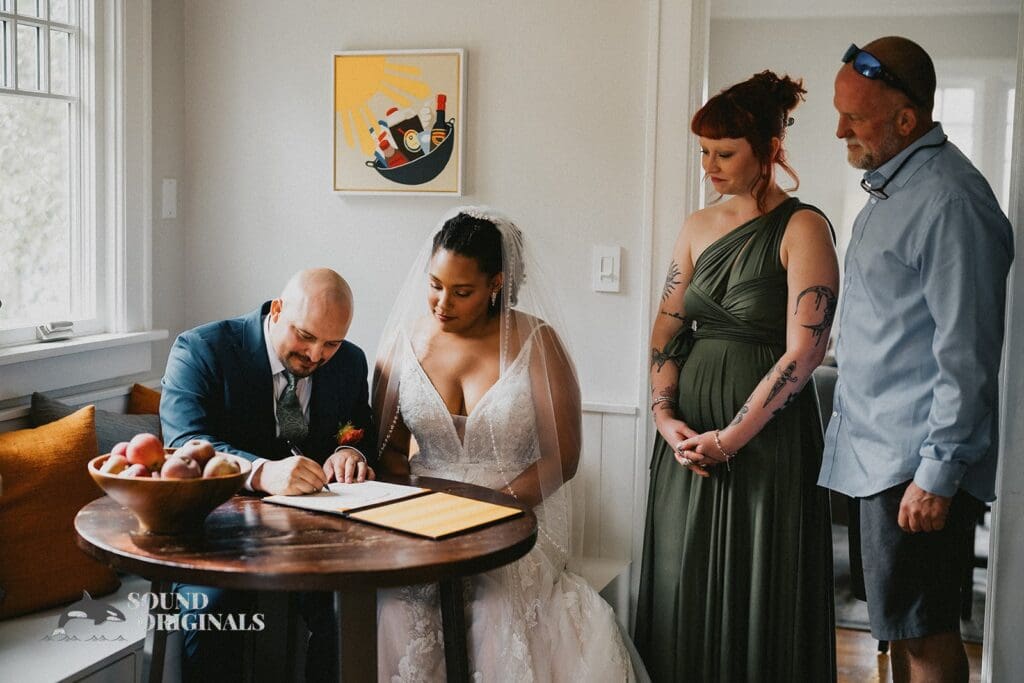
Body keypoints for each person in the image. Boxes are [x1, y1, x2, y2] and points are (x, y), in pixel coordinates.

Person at [372, 207, 640, 681]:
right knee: (398, 603)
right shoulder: (401, 343)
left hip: (518, 511)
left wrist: (491, 514)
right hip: (423, 513)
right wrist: (418, 515)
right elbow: (390, 453)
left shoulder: (537, 342)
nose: (441, 303)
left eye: (461, 291)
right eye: (434, 285)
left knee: (497, 601)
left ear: (495, 283)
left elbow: (563, 457)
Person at [634, 71, 839, 681]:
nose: (710, 166)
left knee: (763, 587)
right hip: (686, 439)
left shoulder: (805, 228)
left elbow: (805, 351)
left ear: (771, 150)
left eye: (725, 153)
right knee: (682, 581)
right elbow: (665, 333)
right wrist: (666, 418)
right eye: (704, 152)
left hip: (765, 444)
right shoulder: (698, 226)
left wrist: (731, 439)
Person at [821, 37, 1013, 683]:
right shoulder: (892, 192)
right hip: (880, 453)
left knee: (926, 636)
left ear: (906, 118)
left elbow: (968, 349)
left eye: (856, 115)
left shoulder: (949, 200)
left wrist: (938, 471)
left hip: (914, 463)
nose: (840, 128)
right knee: (900, 629)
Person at [160, 268, 376, 683]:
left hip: (318, 541)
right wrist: (261, 473)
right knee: (212, 615)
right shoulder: (201, 349)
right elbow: (187, 442)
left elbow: (357, 425)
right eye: (306, 337)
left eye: (331, 343)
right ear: (277, 310)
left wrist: (349, 450)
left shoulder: (350, 362)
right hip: (216, 537)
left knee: (351, 610)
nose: (316, 355)